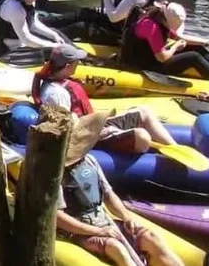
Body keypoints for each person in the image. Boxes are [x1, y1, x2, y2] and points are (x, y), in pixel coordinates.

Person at [56, 112, 185, 266]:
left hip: (103, 222)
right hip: (78, 232)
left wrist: (126, 216)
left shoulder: (90, 160)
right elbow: (58, 217)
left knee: (151, 238)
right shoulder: (55, 174)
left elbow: (109, 195)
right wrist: (98, 232)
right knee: (116, 248)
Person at [31, 45, 178, 154]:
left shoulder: (58, 79)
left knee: (144, 111)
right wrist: (106, 131)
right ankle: (160, 152)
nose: (79, 64)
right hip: (85, 138)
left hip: (91, 125)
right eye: (77, 62)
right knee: (142, 137)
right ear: (67, 66)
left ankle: (175, 149)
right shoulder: (56, 94)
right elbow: (68, 130)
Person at [121, 2, 209, 81]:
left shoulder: (160, 17)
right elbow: (162, 57)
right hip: (145, 65)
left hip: (153, 57)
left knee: (197, 48)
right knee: (193, 56)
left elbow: (179, 37)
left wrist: (207, 41)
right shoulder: (152, 27)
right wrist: (176, 46)